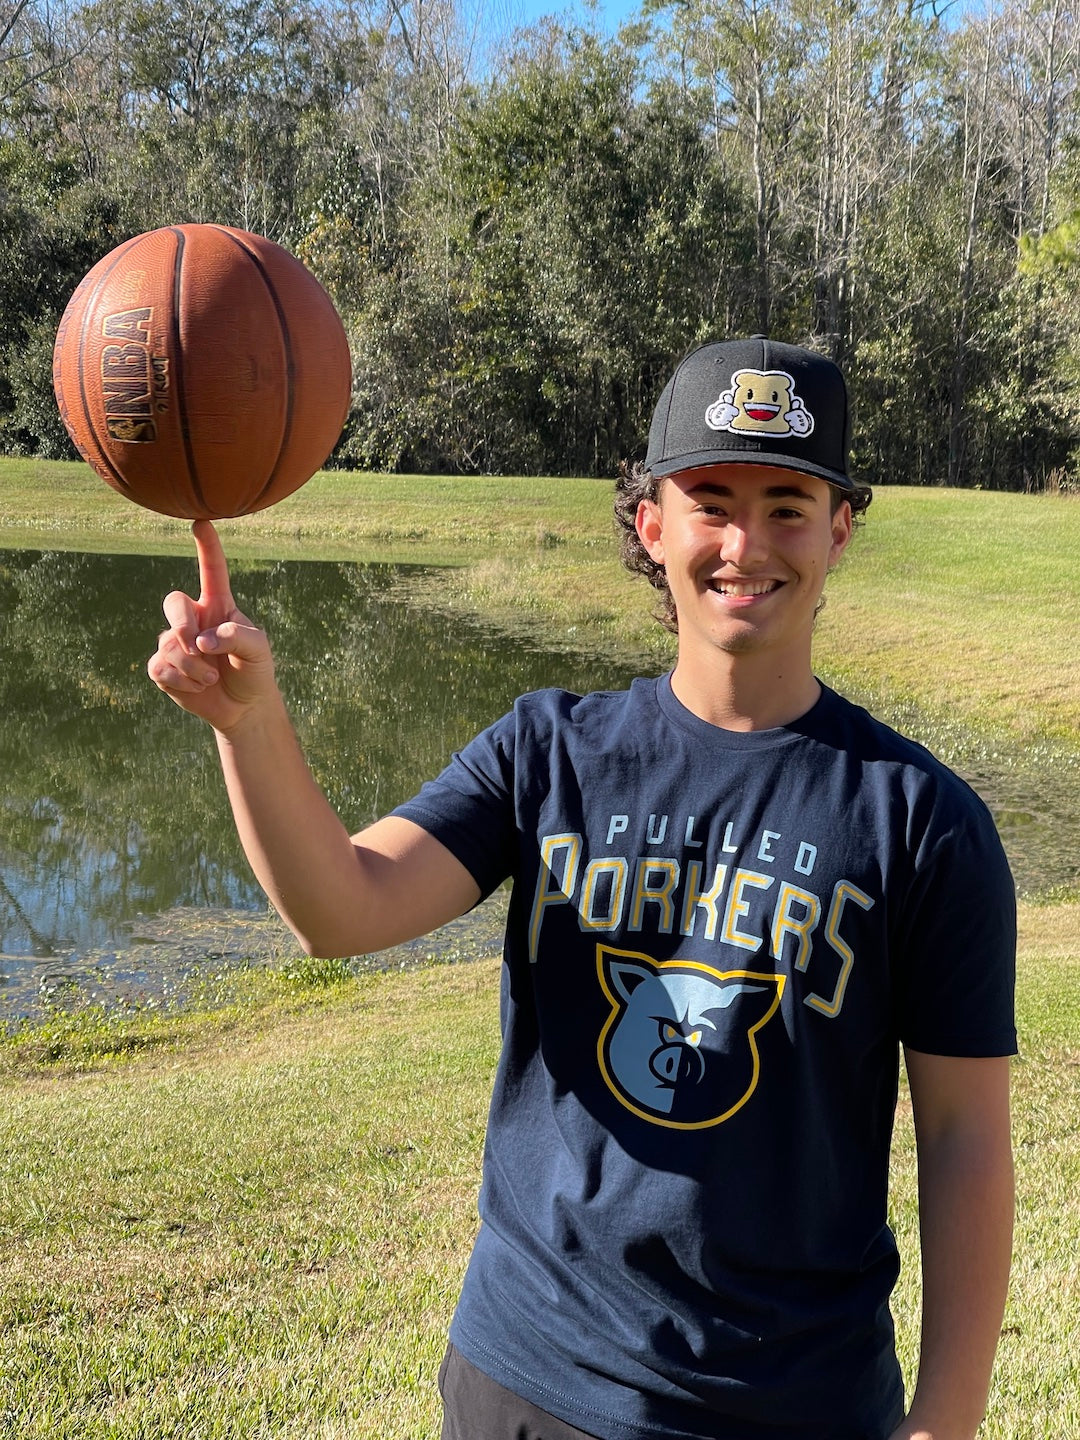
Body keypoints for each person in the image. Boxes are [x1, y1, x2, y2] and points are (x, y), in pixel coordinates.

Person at [148, 336, 1016, 1440]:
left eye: (788, 504)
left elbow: (965, 1140)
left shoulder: (922, 821)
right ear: (651, 523)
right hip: (533, 1376)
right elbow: (343, 906)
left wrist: (947, 1421)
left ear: (840, 530)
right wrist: (250, 723)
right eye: (711, 500)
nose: (746, 543)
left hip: (795, 1400)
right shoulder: (548, 752)